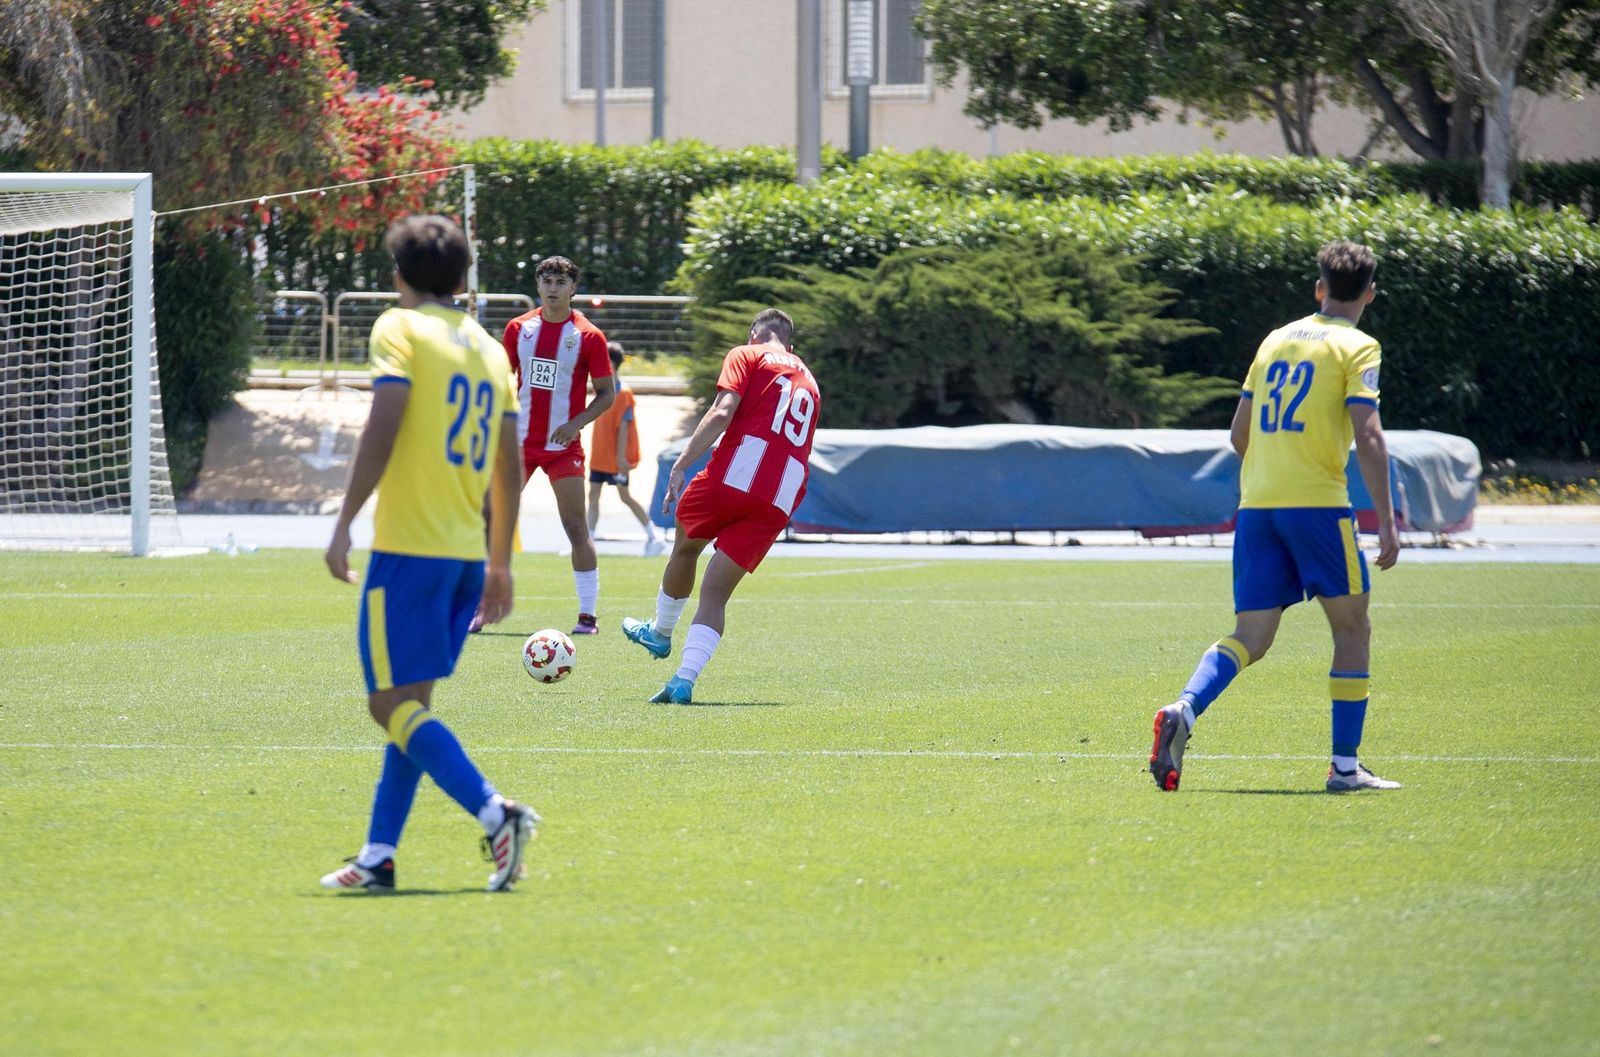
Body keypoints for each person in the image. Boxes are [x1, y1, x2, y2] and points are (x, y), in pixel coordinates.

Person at [320, 214, 538, 893]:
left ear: (400, 275)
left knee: (387, 704)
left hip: (409, 550)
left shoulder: (398, 326)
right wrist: (499, 558)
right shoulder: (487, 347)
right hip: (463, 558)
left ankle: (494, 810)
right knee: (413, 707)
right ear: (464, 277)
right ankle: (379, 854)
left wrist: (344, 519)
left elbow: (387, 415)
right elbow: (509, 462)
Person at [1150, 239, 1402, 794]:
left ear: (1318, 289)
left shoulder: (1275, 340)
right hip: (1318, 507)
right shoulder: (1359, 346)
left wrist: (1273, 470)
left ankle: (1183, 710)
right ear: (1370, 294)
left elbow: (1239, 433)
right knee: (1352, 627)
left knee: (1251, 635)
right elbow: (1369, 434)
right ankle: (1344, 768)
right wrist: (1386, 518)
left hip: (1258, 506)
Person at [621, 309, 819, 704]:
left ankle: (660, 633)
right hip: (781, 495)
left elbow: (722, 411)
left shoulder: (747, 354)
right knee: (716, 595)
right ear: (791, 345)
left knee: (686, 546)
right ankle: (684, 680)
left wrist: (680, 463)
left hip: (734, 475)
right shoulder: (811, 380)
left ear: (754, 333)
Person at [502, 256, 615, 635]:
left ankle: (588, 615)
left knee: (575, 527)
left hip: (563, 447)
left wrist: (574, 424)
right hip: (518, 444)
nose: (552, 287)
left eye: (560, 282)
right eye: (546, 280)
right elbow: (504, 382)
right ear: (538, 286)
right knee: (492, 521)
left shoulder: (588, 336)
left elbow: (606, 394)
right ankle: (481, 606)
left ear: (573, 289)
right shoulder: (518, 329)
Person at [587, 341, 666, 556]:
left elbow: (624, 428)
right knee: (593, 495)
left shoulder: (624, 394)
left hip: (616, 459)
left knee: (625, 496)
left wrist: (622, 458)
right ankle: (588, 541)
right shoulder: (600, 389)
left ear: (613, 364)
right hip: (599, 456)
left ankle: (654, 535)